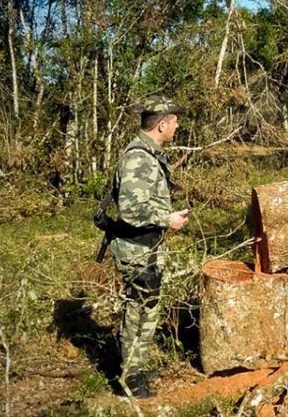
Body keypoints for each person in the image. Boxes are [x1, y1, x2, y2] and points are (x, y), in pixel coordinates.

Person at [110, 95, 190, 398]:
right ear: (162, 124)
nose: (177, 125)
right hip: (137, 249)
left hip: (148, 247)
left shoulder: (150, 153)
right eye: (174, 120)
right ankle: (130, 378)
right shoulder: (139, 157)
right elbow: (130, 210)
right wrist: (166, 218)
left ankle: (137, 367)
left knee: (148, 309)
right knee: (138, 311)